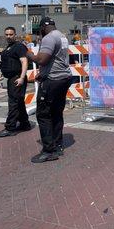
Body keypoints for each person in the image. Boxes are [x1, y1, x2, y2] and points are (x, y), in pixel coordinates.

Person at [26, 17, 72, 163]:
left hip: (52, 80)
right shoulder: (62, 36)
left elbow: (42, 60)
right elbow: (55, 59)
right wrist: (43, 72)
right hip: (64, 78)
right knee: (57, 112)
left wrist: (29, 54)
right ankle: (57, 144)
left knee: (43, 114)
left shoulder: (49, 38)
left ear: (43, 27)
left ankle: (49, 150)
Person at [0, 27, 30, 137]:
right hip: (11, 78)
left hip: (17, 78)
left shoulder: (19, 47)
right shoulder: (8, 48)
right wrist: (1, 74)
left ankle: (10, 128)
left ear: (15, 34)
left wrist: (21, 78)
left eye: (11, 34)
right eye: (6, 34)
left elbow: (24, 62)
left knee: (13, 103)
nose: (8, 36)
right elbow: (6, 63)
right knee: (18, 102)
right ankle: (25, 124)